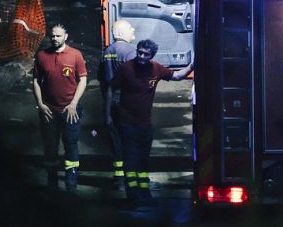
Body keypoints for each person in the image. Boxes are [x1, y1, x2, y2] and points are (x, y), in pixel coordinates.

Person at [107, 39, 193, 204]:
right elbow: (111, 88)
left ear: (152, 55)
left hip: (145, 125)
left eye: (146, 54)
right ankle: (132, 196)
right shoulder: (126, 68)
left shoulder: (156, 68)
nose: (141, 56)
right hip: (127, 123)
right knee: (130, 162)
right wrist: (108, 115)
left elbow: (177, 76)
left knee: (143, 162)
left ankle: (144, 194)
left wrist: (192, 65)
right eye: (140, 52)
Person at [32, 24, 88, 192]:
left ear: (66, 36)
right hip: (48, 111)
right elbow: (36, 81)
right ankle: (52, 184)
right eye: (52, 36)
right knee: (50, 147)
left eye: (58, 36)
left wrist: (74, 104)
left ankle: (71, 186)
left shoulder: (75, 55)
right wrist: (41, 104)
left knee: (71, 146)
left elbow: (83, 80)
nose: (54, 38)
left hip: (70, 111)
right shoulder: (42, 56)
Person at [98, 19, 136, 190]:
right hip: (127, 103)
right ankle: (131, 180)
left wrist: (106, 111)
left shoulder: (107, 51)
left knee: (116, 141)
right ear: (120, 33)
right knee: (131, 141)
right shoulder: (130, 52)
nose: (133, 29)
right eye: (129, 28)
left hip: (111, 102)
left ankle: (119, 179)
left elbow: (103, 81)